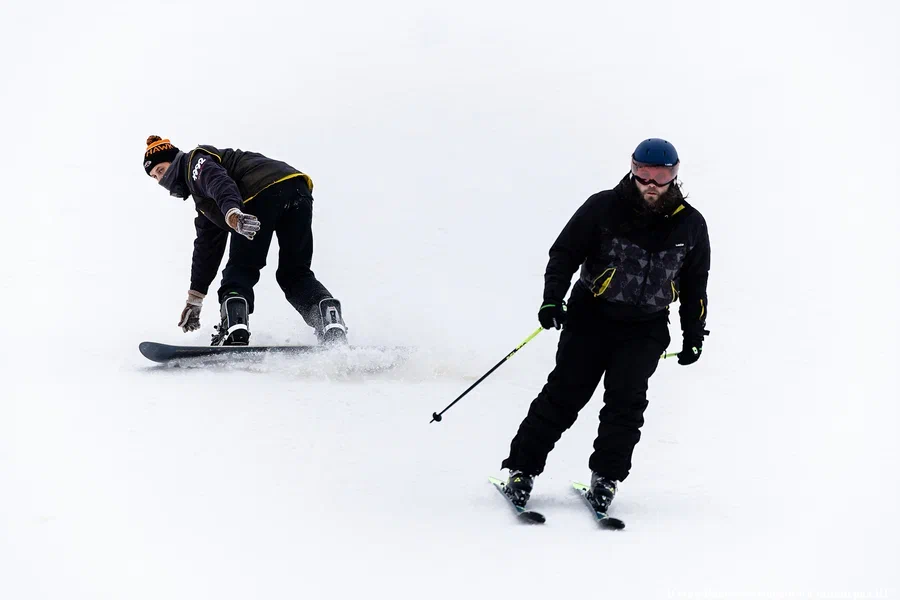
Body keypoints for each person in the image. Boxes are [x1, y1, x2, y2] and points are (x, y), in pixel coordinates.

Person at [499, 138, 710, 512]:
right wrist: (552, 299)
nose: (651, 183)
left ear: (674, 175)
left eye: (660, 175)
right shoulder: (603, 207)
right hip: (590, 318)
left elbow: (696, 286)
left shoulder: (691, 225)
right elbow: (564, 254)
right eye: (643, 172)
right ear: (632, 169)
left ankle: (606, 478)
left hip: (645, 328)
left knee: (626, 405)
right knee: (564, 396)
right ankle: (521, 470)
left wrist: (693, 335)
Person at [142, 135, 348, 346]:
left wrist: (233, 213)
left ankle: (234, 328)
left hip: (260, 192)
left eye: (161, 169)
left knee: (240, 271)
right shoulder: (205, 203)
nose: (161, 179)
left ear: (175, 159)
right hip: (297, 189)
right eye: (155, 177)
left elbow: (217, 181)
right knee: (295, 274)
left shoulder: (195, 162)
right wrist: (195, 298)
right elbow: (207, 248)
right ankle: (328, 317)